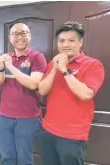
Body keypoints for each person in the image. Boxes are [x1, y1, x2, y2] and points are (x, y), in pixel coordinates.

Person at [37, 21, 105, 165]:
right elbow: (42, 90)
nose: (65, 44)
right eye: (61, 41)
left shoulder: (93, 65)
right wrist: (55, 68)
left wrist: (64, 70)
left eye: (71, 40)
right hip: (48, 130)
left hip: (72, 135)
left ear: (80, 42)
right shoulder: (53, 63)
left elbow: (86, 94)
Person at [0, 23, 47, 165]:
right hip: (4, 117)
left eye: (23, 33)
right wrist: (0, 67)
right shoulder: (6, 57)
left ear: (29, 35)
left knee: (24, 159)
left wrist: (10, 67)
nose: (19, 37)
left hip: (27, 119)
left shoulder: (37, 57)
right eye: (15, 34)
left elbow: (33, 84)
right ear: (10, 38)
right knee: (7, 158)